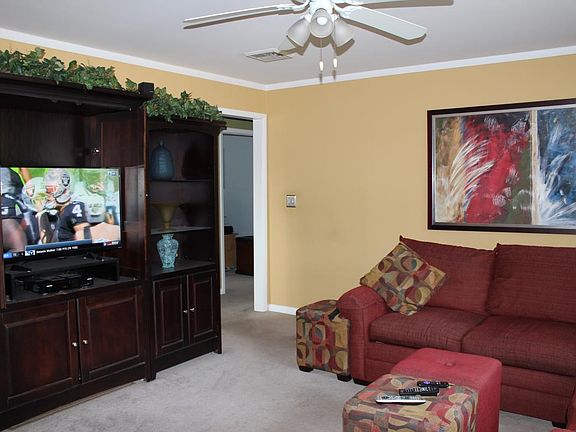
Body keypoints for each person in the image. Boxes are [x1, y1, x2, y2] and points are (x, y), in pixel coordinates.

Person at [42, 168, 91, 242]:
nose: (47, 194)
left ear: (65, 190)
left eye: (51, 190)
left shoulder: (73, 208)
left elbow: (86, 241)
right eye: (46, 190)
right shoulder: (60, 212)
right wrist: (41, 215)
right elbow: (48, 243)